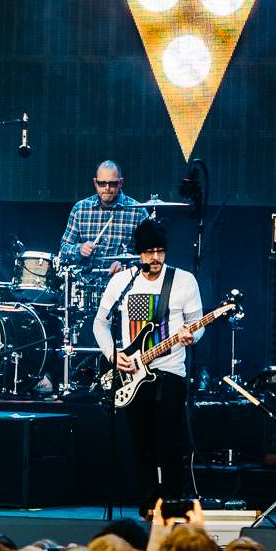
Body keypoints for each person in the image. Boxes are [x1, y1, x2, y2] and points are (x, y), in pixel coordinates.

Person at [94, 219, 203, 513]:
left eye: (160, 251)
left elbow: (197, 324)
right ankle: (147, 505)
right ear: (138, 253)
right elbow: (100, 324)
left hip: (170, 371)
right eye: (149, 252)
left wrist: (190, 334)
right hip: (132, 372)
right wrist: (112, 355)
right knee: (141, 444)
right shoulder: (122, 281)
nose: (156, 258)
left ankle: (172, 506)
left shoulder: (183, 280)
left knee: (169, 444)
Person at [58, 160, 148, 286]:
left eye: (112, 183)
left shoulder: (138, 211)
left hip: (123, 286)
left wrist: (127, 263)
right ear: (95, 182)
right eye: (102, 183)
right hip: (85, 286)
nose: (107, 188)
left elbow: (149, 254)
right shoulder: (80, 209)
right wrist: (79, 249)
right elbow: (63, 249)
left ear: (120, 183)